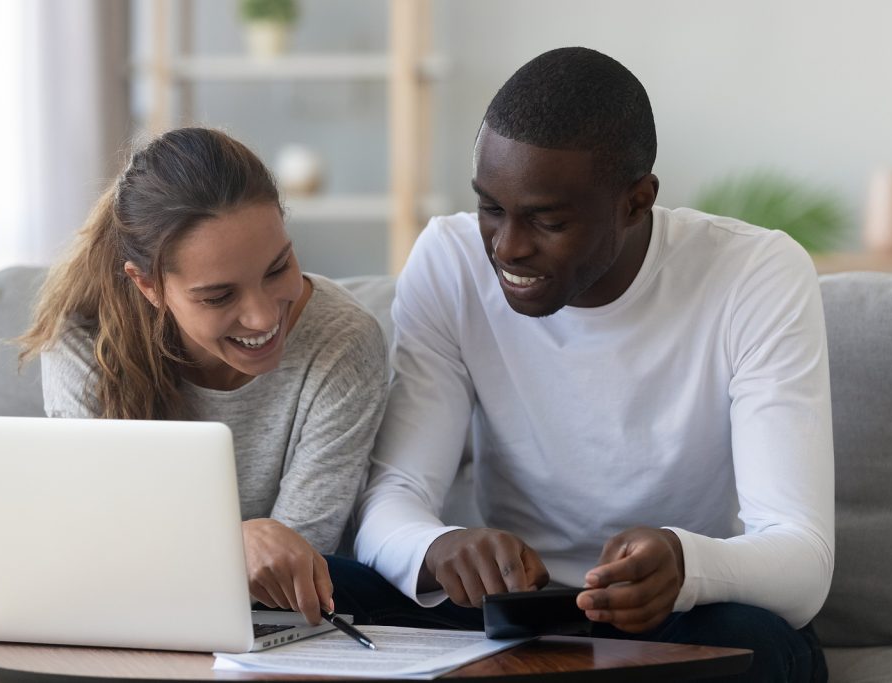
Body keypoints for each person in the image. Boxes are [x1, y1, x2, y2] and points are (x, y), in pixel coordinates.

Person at [354, 47, 832, 681]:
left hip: (677, 618)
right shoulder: (449, 262)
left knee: (755, 646)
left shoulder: (755, 274)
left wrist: (687, 564)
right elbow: (393, 497)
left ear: (637, 202)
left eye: (547, 220)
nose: (507, 247)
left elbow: (802, 559)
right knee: (328, 593)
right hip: (510, 613)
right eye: (491, 209)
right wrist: (437, 547)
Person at [20, 127, 389, 627]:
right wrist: (226, 542)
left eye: (278, 268)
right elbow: (97, 544)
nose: (262, 317)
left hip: (278, 629)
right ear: (147, 285)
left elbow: (293, 565)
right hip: (129, 621)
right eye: (218, 297)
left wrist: (187, 545)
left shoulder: (342, 341)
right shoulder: (86, 343)